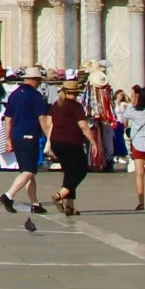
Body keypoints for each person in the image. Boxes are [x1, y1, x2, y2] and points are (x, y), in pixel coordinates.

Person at [0, 68, 49, 215]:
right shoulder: (36, 96)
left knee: (27, 171)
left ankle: (35, 203)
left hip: (16, 136)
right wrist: (49, 136)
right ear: (34, 80)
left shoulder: (14, 95)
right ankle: (8, 195)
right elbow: (42, 118)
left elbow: (8, 119)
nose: (38, 84)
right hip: (29, 136)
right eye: (38, 81)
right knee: (29, 170)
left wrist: (8, 138)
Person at [47, 78, 96, 216]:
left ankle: (70, 206)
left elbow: (48, 122)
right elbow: (84, 126)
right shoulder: (76, 106)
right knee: (81, 170)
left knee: (69, 172)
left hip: (56, 141)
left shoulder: (56, 104)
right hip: (72, 142)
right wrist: (93, 142)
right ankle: (59, 195)